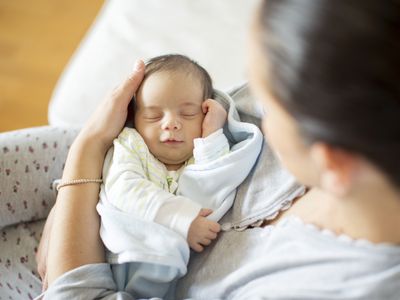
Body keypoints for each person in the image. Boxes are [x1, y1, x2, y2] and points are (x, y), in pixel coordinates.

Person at [7, 0, 400, 298]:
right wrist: (88, 166)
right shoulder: (341, 103)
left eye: (268, 100)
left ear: (330, 161)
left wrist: (85, 157)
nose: (246, 104)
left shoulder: (324, 285)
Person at [96, 54, 262, 298]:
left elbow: (214, 182)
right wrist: (182, 219)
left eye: (188, 114)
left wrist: (212, 134)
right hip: (126, 255)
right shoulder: (132, 145)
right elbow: (124, 188)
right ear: (134, 119)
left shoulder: (202, 153)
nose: (171, 124)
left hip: (178, 272)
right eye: (153, 116)